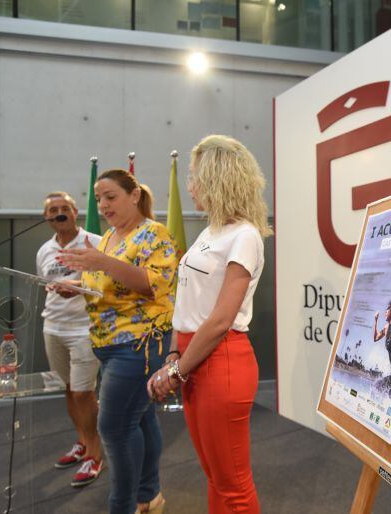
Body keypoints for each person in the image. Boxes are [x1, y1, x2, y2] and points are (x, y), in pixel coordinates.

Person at [147, 135, 271, 514]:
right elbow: (187, 302)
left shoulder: (245, 235)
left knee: (232, 484)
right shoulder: (209, 232)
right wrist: (173, 355)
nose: (189, 186)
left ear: (219, 178)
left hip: (221, 361)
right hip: (191, 358)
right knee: (215, 476)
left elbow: (220, 320)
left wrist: (177, 371)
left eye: (195, 175)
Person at [56, 169, 177, 514]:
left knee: (114, 427)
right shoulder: (109, 237)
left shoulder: (154, 233)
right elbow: (105, 286)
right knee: (139, 420)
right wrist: (75, 286)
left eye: (110, 197)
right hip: (108, 345)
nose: (103, 205)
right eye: (98, 198)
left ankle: (122, 506)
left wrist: (101, 262)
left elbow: (155, 284)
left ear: (134, 195)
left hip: (139, 345)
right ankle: (148, 495)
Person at [36, 191, 102, 487]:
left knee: (82, 393)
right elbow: (45, 283)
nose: (59, 213)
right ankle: (82, 443)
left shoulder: (94, 243)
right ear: (46, 217)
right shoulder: (44, 250)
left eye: (65, 208)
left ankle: (95, 455)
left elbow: (108, 283)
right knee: (67, 389)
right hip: (53, 327)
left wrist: (79, 286)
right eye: (53, 210)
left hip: (84, 328)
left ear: (76, 212)